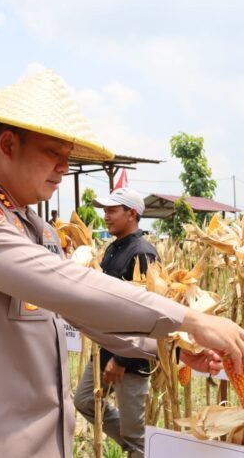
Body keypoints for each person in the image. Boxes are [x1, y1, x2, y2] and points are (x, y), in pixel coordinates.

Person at [0, 70, 244, 458]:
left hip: (47, 443)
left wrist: (174, 350)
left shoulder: (38, 230)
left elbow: (80, 314)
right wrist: (191, 319)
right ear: (10, 145)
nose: (64, 168)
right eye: (54, 153)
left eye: (68, 157)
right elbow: (67, 283)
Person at [73, 188, 159, 458]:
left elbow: (145, 313)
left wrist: (121, 359)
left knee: (136, 436)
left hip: (131, 359)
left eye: (112, 210)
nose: (105, 216)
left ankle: (140, 449)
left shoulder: (143, 253)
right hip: (104, 350)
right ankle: (139, 448)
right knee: (84, 401)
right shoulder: (113, 248)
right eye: (105, 210)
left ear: (131, 213)